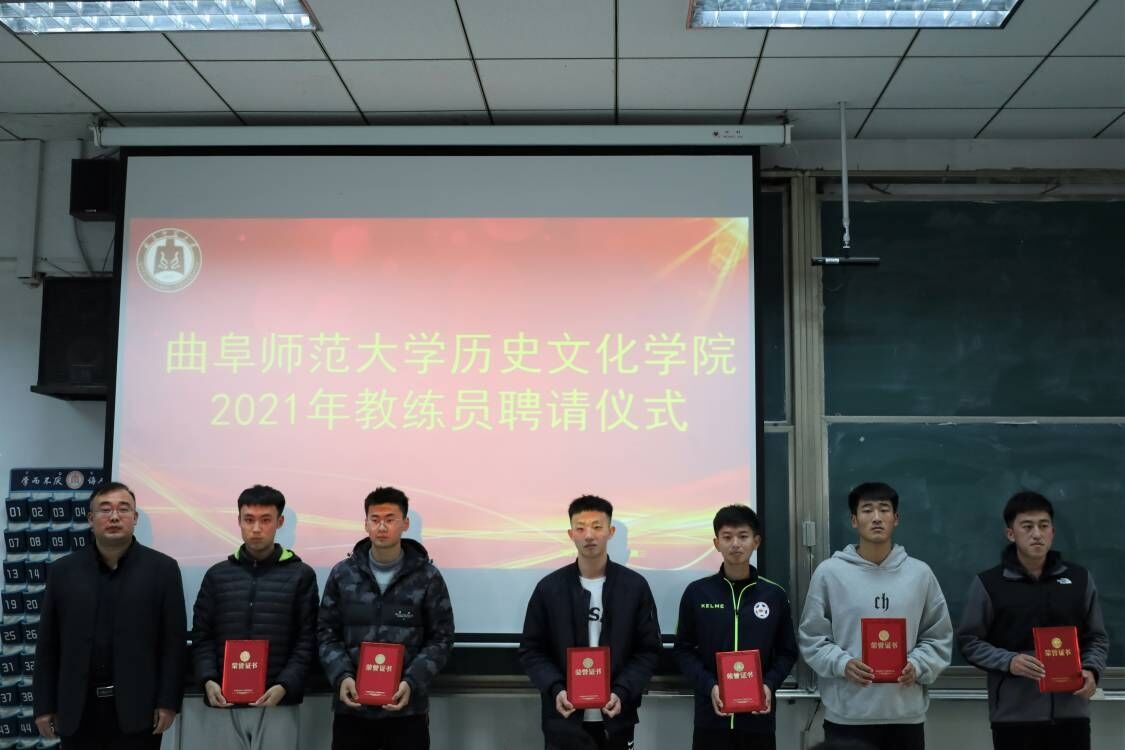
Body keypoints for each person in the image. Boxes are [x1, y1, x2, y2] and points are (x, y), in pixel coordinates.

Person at [32, 481, 187, 749]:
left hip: (139, 710)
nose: (114, 516)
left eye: (123, 509)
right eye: (105, 509)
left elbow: (173, 645)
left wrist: (168, 702)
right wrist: (44, 705)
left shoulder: (163, 570)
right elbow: (48, 645)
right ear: (90, 519)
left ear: (134, 518)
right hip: (77, 710)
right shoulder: (63, 572)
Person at [798, 482, 952, 750]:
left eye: (884, 509)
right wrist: (843, 663)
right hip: (847, 717)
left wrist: (917, 665)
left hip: (905, 716)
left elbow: (938, 637)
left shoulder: (920, 574)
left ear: (896, 518)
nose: (877, 517)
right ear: (854, 520)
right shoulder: (829, 573)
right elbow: (812, 637)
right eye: (867, 510)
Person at [956, 490, 1109, 750]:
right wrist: (1009, 661)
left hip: (1072, 713)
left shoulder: (1080, 579)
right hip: (1014, 717)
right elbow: (969, 641)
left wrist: (1092, 670)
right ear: (1010, 533)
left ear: (1053, 532)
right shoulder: (989, 584)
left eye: (1043, 525)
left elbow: (1097, 637)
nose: (1037, 534)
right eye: (1027, 526)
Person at [518, 495, 662, 750]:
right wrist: (556, 689)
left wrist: (622, 691)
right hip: (563, 720)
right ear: (570, 534)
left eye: (597, 527)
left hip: (616, 719)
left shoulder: (634, 587)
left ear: (610, 531)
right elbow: (532, 650)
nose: (589, 536)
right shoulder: (549, 589)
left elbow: (648, 650)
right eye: (581, 528)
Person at [318, 486, 454, 750]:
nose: (382, 527)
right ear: (365, 524)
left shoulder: (427, 577)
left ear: (405, 524)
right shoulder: (342, 574)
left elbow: (442, 638)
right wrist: (342, 676)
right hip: (352, 709)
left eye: (390, 519)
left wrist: (411, 682)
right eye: (375, 519)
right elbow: (326, 633)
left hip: (407, 709)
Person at [191, 484, 319, 750]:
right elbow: (202, 636)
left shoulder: (301, 575)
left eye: (265, 520)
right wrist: (208, 679)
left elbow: (307, 639)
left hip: (277, 702)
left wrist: (285, 685)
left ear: (279, 522)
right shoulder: (217, 575)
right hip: (224, 701)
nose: (256, 528)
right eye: (249, 520)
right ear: (238, 521)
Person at [675, 505, 798, 750]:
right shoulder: (697, 593)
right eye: (727, 537)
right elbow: (683, 650)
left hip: (758, 720)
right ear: (716, 543)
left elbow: (787, 652)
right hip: (711, 717)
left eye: (743, 536)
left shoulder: (774, 595)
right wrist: (710, 686)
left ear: (756, 541)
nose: (735, 544)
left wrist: (768, 684)